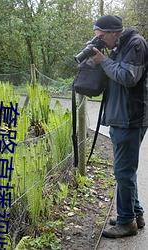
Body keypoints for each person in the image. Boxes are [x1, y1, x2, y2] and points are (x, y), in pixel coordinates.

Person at [90, 15, 148, 238]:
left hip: (130, 118)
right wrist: (100, 60)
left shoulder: (136, 44)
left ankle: (126, 223)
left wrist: (103, 61)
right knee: (125, 171)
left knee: (123, 171)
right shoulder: (119, 46)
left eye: (102, 37)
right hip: (120, 117)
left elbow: (127, 77)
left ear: (114, 32)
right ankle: (135, 214)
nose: (101, 41)